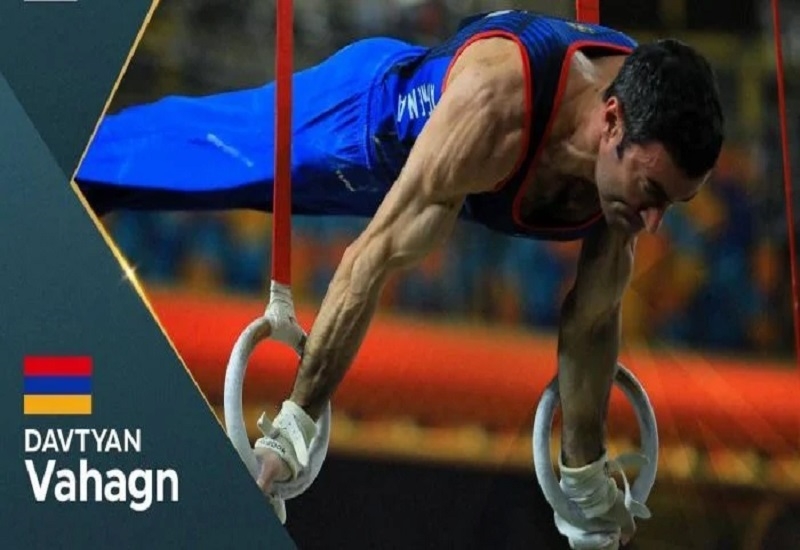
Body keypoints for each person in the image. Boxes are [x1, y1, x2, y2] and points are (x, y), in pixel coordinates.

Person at [75, 9, 724, 548]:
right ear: (610, 121)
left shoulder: (638, 140)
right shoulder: (499, 103)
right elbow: (371, 259)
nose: (654, 221)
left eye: (673, 202)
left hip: (435, 179)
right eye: (651, 193)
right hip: (358, 124)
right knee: (188, 155)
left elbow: (591, 322)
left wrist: (584, 484)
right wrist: (294, 430)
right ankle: (64, 157)